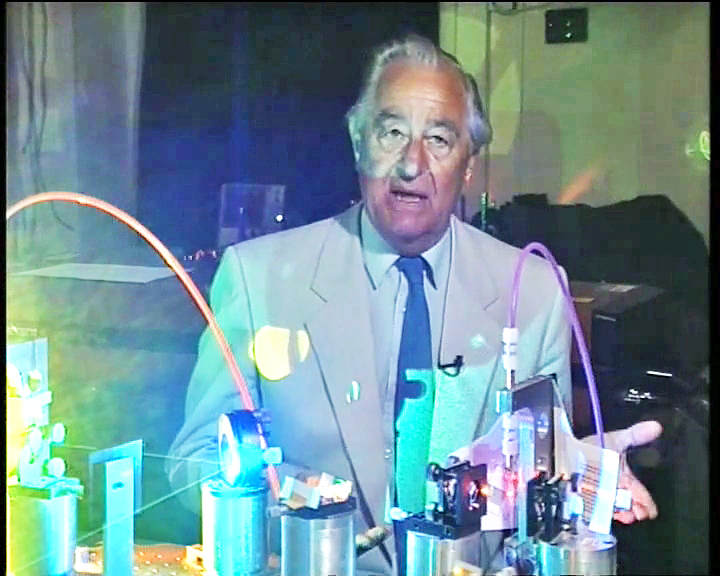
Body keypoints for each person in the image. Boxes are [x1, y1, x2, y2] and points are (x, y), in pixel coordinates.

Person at [167, 35, 660, 574]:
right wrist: (293, 493)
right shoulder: (258, 278)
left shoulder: (536, 291)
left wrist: (577, 482)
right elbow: (195, 457)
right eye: (392, 132)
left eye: (439, 140)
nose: (411, 163)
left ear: (468, 165)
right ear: (359, 143)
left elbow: (539, 478)